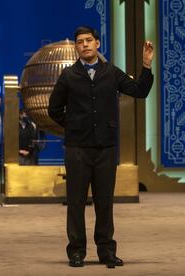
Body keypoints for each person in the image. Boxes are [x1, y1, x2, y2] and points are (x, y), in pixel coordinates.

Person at [48, 26, 154, 268]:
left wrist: (146, 66)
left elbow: (140, 91)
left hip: (106, 149)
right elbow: (53, 109)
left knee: (104, 203)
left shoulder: (111, 73)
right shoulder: (68, 75)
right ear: (76, 47)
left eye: (88, 40)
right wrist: (73, 126)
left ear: (97, 44)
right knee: (75, 202)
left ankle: (106, 251)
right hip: (77, 149)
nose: (84, 44)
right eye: (80, 42)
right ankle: (76, 252)